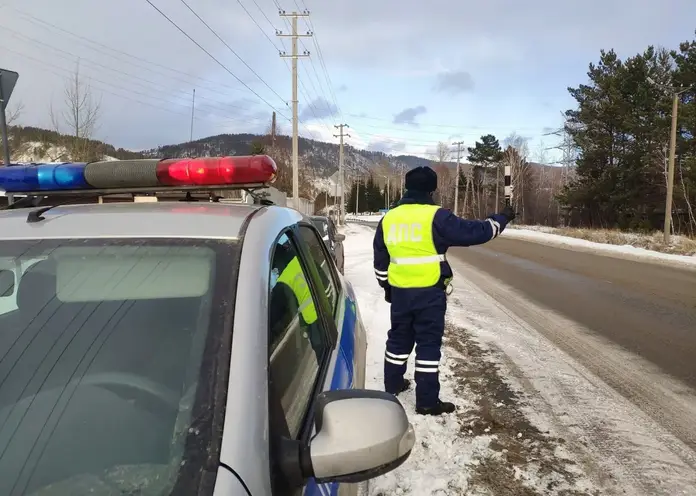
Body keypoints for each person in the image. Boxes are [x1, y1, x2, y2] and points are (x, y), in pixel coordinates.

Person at [373, 166, 515, 416]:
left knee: (398, 339)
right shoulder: (437, 217)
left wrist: (387, 287)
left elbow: (380, 260)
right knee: (428, 344)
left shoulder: (389, 218)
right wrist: (502, 218)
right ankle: (427, 402)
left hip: (401, 294)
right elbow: (476, 232)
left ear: (407, 187)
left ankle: (392, 385)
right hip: (429, 293)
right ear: (432, 189)